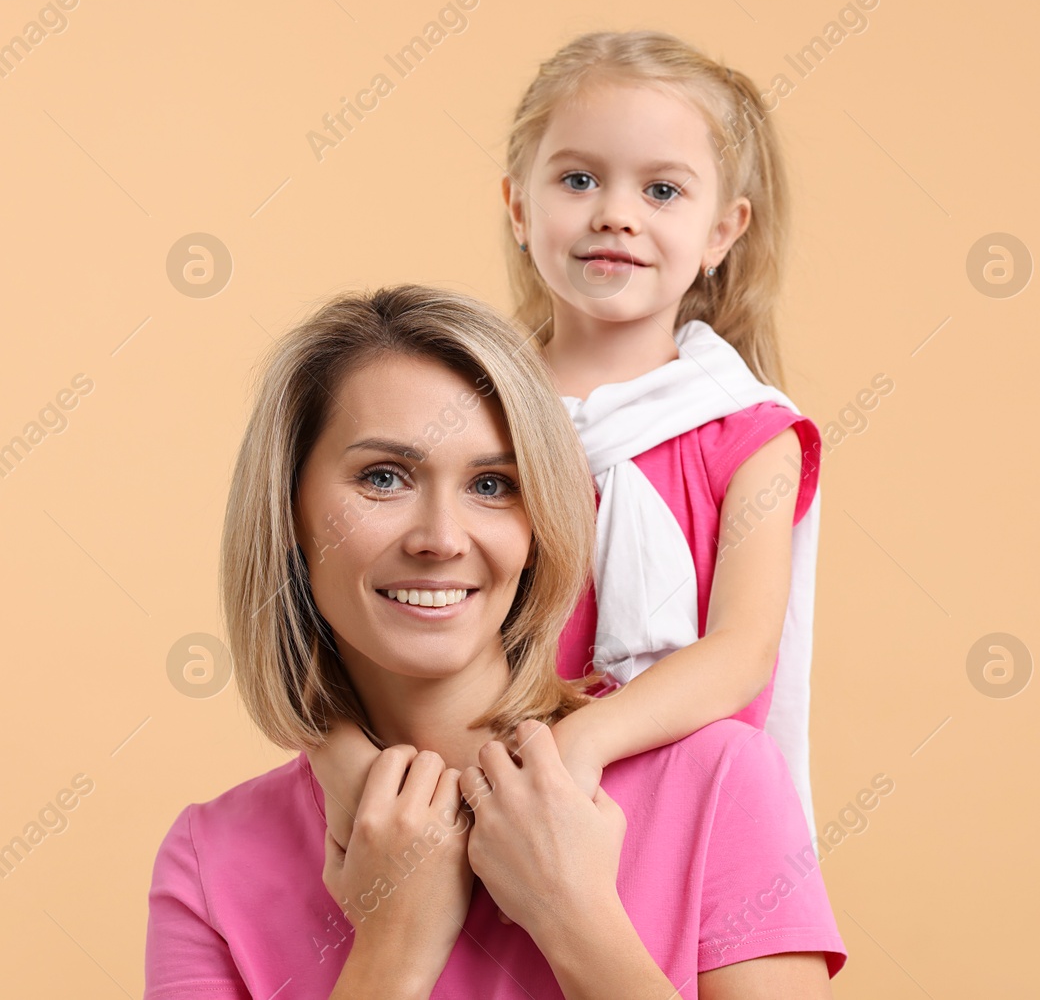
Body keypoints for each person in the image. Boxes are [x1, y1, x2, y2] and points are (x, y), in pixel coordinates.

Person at [143, 284, 846, 998]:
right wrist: (391, 952)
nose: (442, 539)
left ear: (538, 524)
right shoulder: (211, 860)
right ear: (288, 508)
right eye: (383, 477)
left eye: (491, 484)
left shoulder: (720, 782)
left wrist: (575, 915)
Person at [311, 30, 828, 852]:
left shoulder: (748, 430)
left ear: (722, 232)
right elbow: (347, 601)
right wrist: (335, 755)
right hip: (478, 792)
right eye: (579, 179)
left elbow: (740, 649)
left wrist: (581, 743)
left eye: (662, 190)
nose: (615, 213)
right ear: (519, 205)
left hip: (670, 797)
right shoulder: (473, 408)